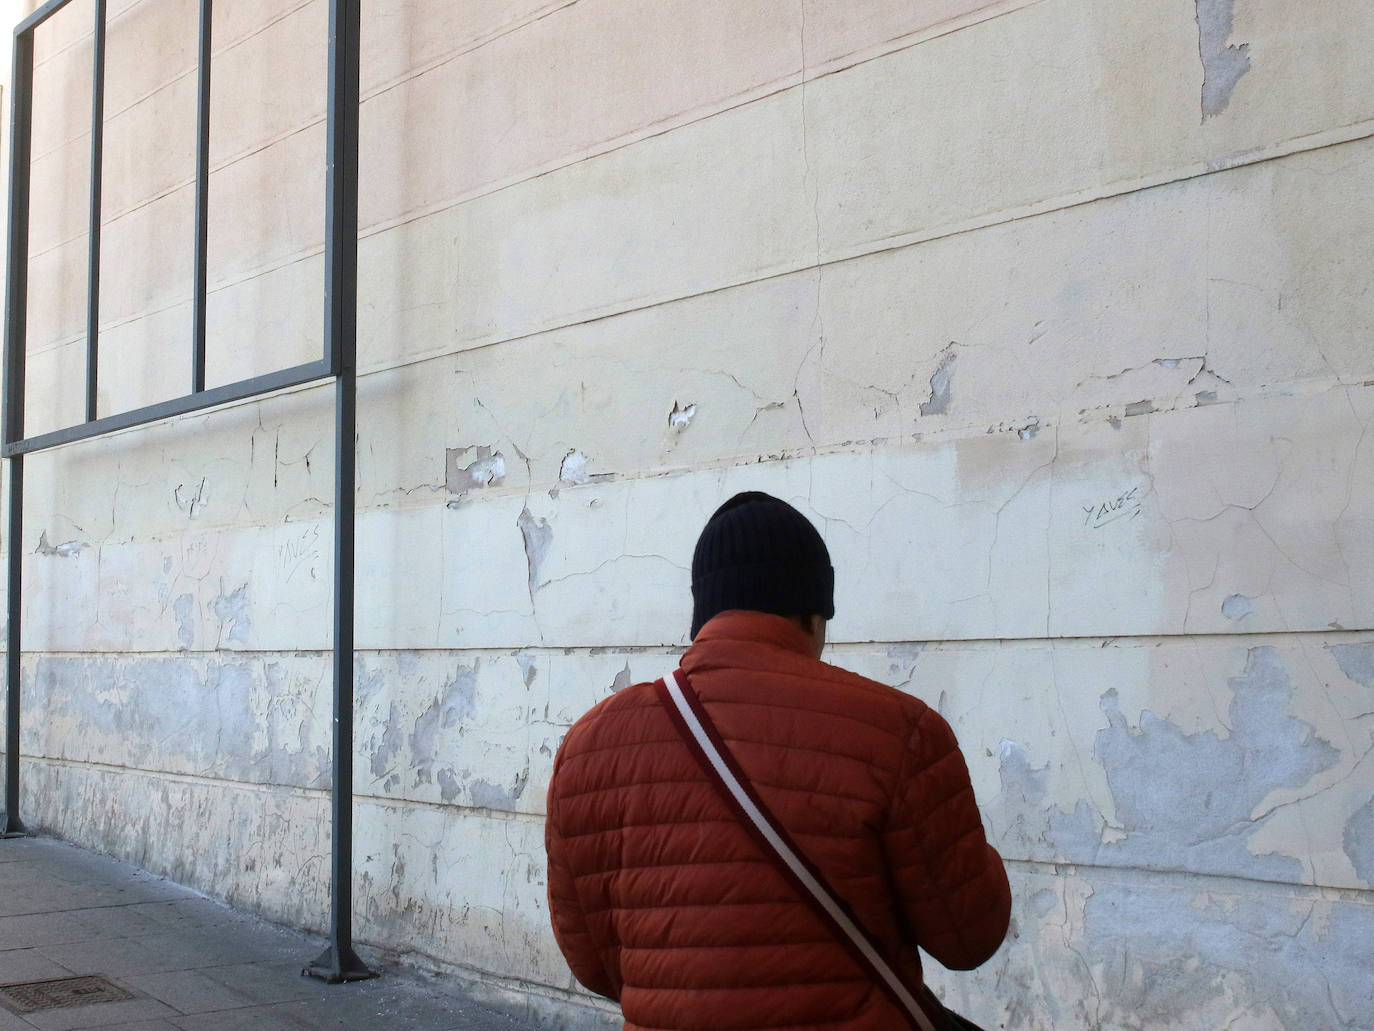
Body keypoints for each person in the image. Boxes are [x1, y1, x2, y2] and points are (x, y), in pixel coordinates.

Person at [544, 491, 1011, 1030]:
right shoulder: (898, 730)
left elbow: (597, 965)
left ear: (704, 614)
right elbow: (969, 936)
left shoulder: (587, 746)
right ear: (814, 614)